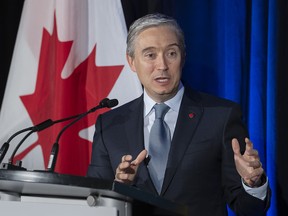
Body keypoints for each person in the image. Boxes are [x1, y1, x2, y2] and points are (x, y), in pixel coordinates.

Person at [87, 13, 271, 215]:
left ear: (183, 56)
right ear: (131, 61)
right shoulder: (110, 125)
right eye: (150, 55)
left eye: (171, 53)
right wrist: (119, 187)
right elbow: (94, 202)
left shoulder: (221, 117)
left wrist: (252, 183)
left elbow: (250, 209)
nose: (162, 65)